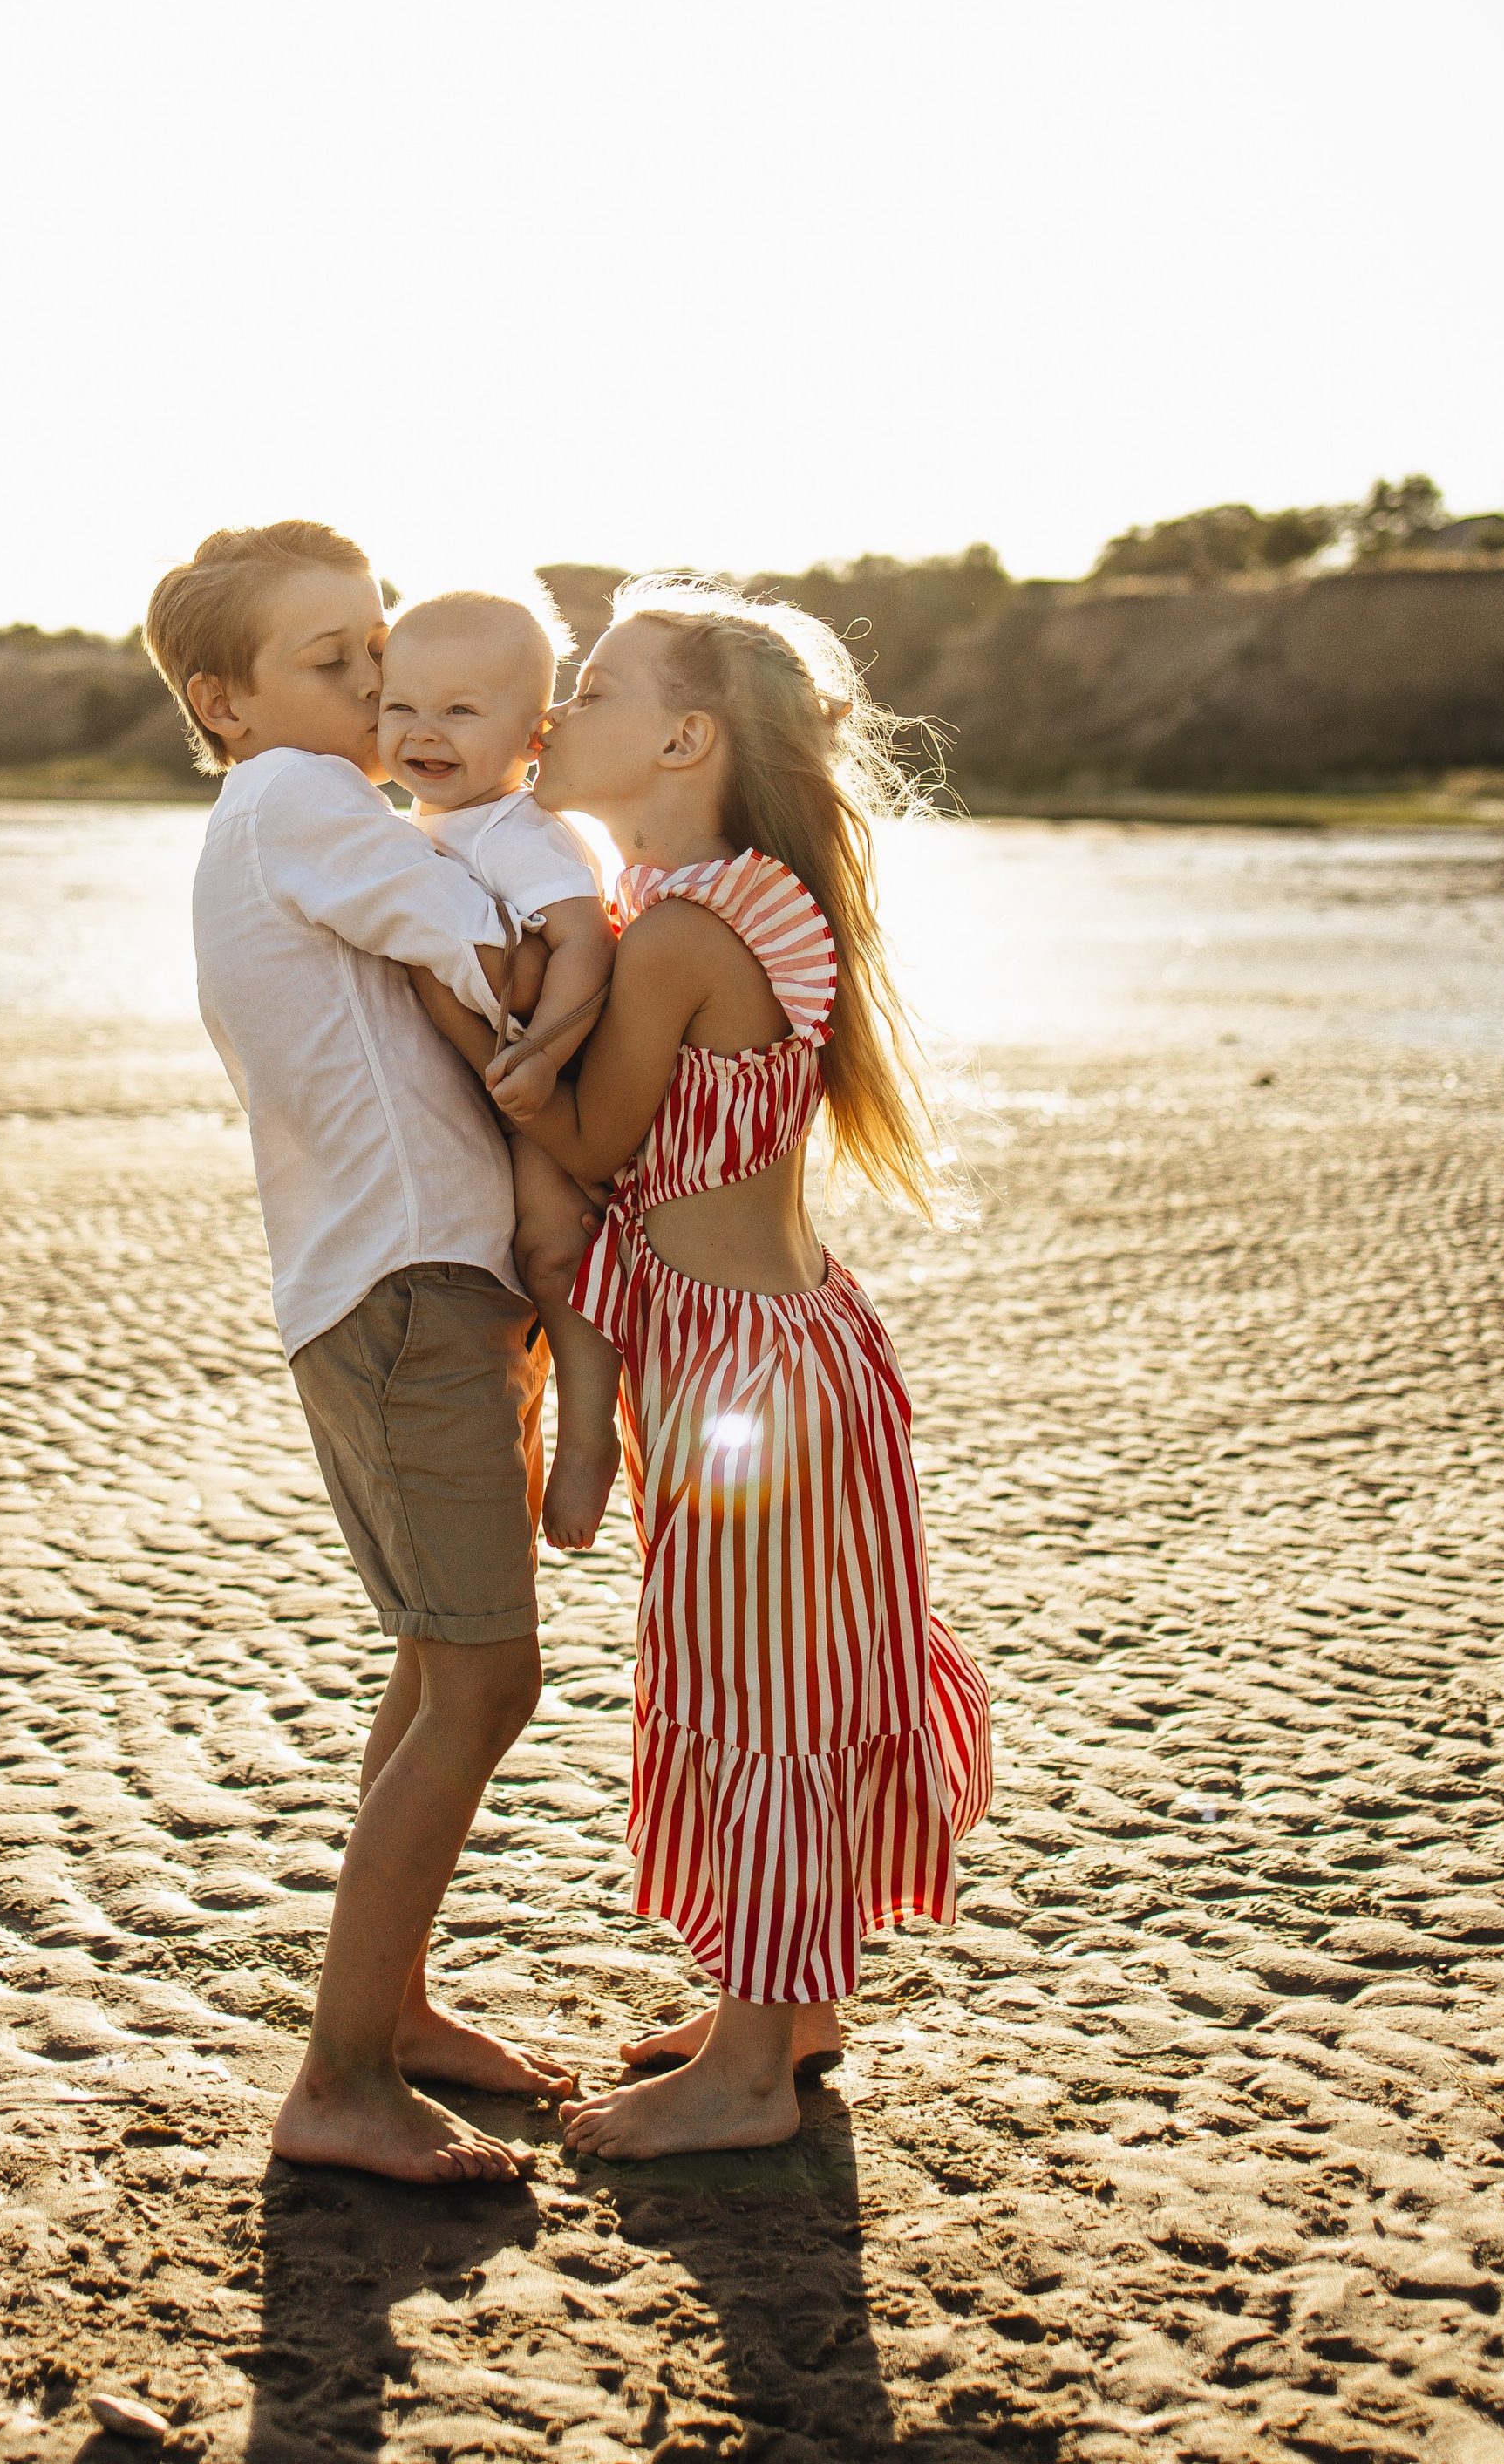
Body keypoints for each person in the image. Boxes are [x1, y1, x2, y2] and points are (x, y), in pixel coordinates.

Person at [413, 578, 992, 2161]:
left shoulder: (678, 930)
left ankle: (747, 2075)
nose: (556, 712)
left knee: (759, 1696)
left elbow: (594, 1145)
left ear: (684, 740)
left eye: (594, 688)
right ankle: (791, 2012)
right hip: (798, 1352)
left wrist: (445, 1006)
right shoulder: (732, 897)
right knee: (802, 1673)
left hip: (743, 1378)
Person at [142, 518, 575, 2188]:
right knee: (485, 1676)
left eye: (380, 654)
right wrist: (578, 951)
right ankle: (337, 2081)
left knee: (432, 1656)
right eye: (335, 665)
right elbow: (476, 942)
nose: (379, 692)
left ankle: (390, 2013)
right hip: (405, 1290)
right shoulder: (299, 799)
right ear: (228, 704)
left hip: (398, 1284)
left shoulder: (279, 813)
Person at [378, 589, 625, 1551]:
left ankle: (589, 1435)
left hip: (561, 1068)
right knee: (514, 1274)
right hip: (491, 1077)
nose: (423, 731)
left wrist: (545, 1052)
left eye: (460, 710)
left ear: (531, 738)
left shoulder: (514, 831)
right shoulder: (415, 828)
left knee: (553, 1252)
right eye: (401, 706)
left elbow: (586, 941)